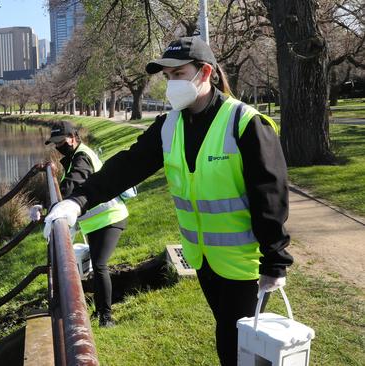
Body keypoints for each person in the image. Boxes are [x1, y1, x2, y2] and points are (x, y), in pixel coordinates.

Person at [43, 36, 293, 365]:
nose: (171, 84)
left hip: (244, 267)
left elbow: (270, 195)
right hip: (204, 261)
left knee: (238, 349)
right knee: (229, 340)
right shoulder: (170, 126)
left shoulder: (245, 123)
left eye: (178, 74)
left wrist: (275, 260)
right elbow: (126, 167)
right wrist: (76, 202)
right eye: (167, 77)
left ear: (205, 73)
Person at [33, 121, 129, 327]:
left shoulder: (82, 157)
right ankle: (99, 311)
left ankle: (106, 317)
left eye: (61, 141)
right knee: (96, 265)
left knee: (100, 265)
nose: (58, 146)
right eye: (55, 143)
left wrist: (53, 206)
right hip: (96, 221)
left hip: (110, 217)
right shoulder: (73, 156)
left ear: (74, 138)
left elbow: (72, 184)